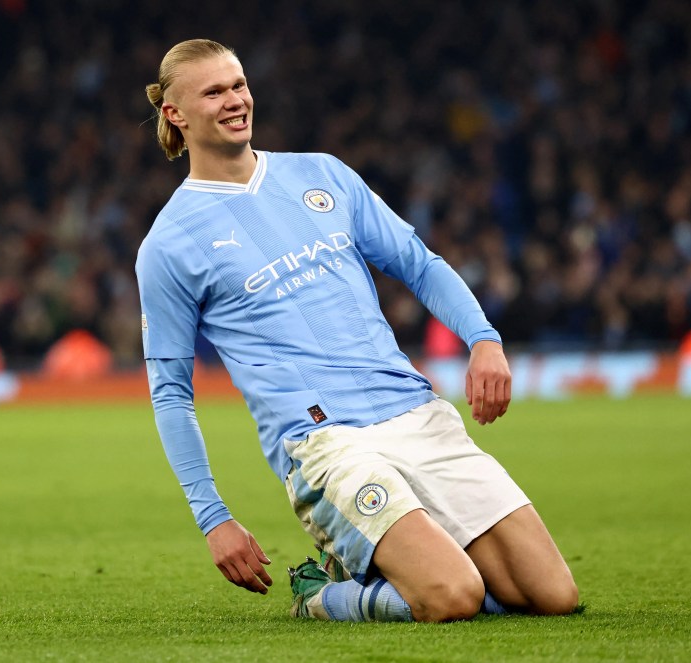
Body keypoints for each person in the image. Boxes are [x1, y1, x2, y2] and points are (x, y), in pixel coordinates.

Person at [137, 38, 578, 623]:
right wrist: (214, 517)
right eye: (213, 92)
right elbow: (171, 392)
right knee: (452, 597)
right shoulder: (169, 244)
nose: (235, 100)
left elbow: (419, 264)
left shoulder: (321, 174)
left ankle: (382, 563)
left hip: (413, 411)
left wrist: (485, 340)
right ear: (175, 114)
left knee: (552, 596)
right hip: (326, 442)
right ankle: (321, 594)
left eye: (238, 85)